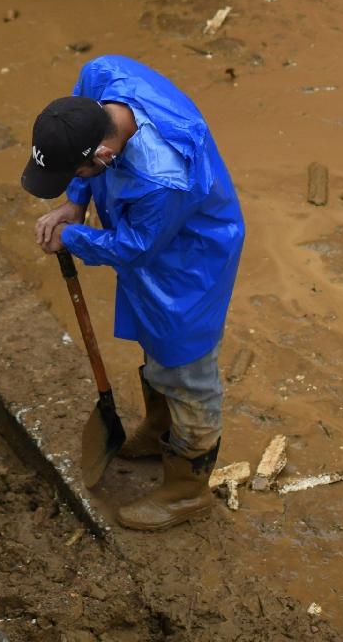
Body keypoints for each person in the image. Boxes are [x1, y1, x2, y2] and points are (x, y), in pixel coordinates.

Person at [23, 56, 244, 532]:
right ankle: (160, 427)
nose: (74, 182)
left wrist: (74, 237)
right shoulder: (103, 78)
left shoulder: (162, 178)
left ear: (102, 157)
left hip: (189, 261)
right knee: (152, 339)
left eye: (76, 175)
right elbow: (84, 93)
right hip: (149, 237)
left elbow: (134, 248)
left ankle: (187, 492)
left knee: (187, 369)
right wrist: (74, 203)